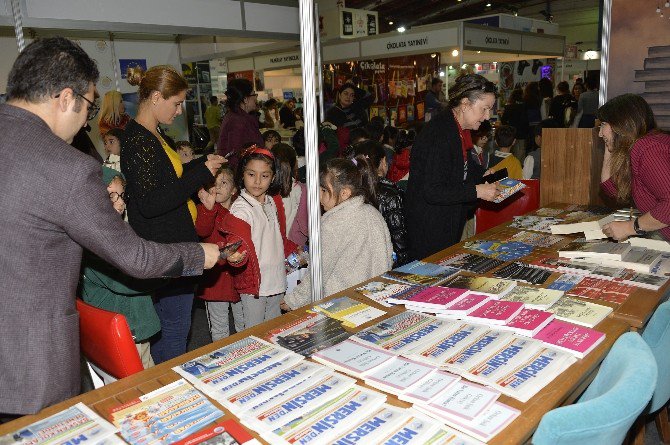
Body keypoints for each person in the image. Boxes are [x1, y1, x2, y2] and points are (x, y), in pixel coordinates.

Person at [0, 37, 219, 416]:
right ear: (66, 98)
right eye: (89, 105)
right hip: (29, 364)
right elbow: (133, 257)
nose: (88, 119)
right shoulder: (65, 167)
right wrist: (200, 253)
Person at [122, 64, 226, 364]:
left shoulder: (154, 134)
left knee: (175, 328)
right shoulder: (137, 140)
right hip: (167, 253)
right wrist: (199, 175)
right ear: (156, 97)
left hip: (175, 248)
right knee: (174, 331)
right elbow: (151, 203)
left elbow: (173, 178)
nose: (179, 111)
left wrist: (203, 163)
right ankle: (169, 391)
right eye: (176, 103)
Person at [405, 73, 500, 261]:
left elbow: (462, 166)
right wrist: (477, 192)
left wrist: (483, 174)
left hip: (446, 223)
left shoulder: (459, 130)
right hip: (429, 229)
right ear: (465, 104)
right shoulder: (440, 134)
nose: (487, 116)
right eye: (484, 109)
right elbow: (433, 190)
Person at [282, 156, 393, 310]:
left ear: (345, 193)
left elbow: (319, 271)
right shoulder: (372, 212)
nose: (319, 196)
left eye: (324, 190)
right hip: (375, 298)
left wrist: (293, 300)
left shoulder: (332, 224)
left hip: (341, 303)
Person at [80, 167, 160, 369]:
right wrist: (170, 270)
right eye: (111, 196)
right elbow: (128, 282)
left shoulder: (119, 233)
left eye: (122, 195)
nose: (121, 202)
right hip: (123, 330)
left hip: (131, 326)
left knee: (147, 373)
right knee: (137, 382)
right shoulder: (94, 245)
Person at [220, 146, 299, 328]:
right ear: (242, 175)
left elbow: (277, 237)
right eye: (251, 174)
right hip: (255, 284)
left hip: (277, 278)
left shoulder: (273, 201)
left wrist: (293, 250)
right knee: (255, 332)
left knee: (274, 329)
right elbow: (236, 242)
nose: (257, 181)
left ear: (272, 177)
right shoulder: (241, 209)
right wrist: (236, 258)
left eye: (264, 176)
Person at [597, 94, 670, 242]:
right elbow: (612, 189)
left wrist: (629, 228)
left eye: (603, 125)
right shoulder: (638, 147)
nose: (599, 133)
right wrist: (609, 145)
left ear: (621, 124)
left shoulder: (648, 149)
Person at [195, 165, 245, 341]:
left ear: (234, 190)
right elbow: (202, 230)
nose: (218, 187)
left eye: (224, 182)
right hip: (215, 279)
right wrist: (208, 209)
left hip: (239, 276)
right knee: (219, 328)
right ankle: (221, 361)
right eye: (214, 183)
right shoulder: (206, 209)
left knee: (244, 324)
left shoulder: (241, 210)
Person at [354, 141, 410, 267]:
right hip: (388, 260)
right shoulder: (390, 193)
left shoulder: (352, 189)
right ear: (383, 161)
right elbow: (398, 236)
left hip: (362, 260)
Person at [216, 79, 263, 169]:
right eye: (254, 94)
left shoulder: (240, 117)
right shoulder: (238, 121)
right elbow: (234, 155)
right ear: (245, 99)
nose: (256, 98)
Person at [272, 143, 309, 246]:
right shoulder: (301, 189)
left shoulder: (264, 187)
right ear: (294, 163)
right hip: (293, 245)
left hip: (270, 246)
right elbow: (304, 225)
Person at [500, 88, 529, 160]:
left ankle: (512, 166)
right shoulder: (525, 107)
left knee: (512, 151)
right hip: (522, 132)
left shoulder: (509, 107)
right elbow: (527, 121)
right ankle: (519, 167)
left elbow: (503, 120)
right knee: (521, 152)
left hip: (512, 132)